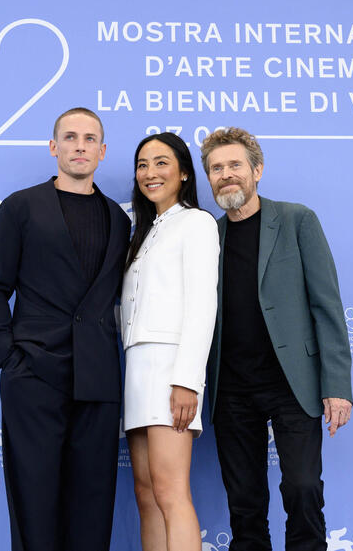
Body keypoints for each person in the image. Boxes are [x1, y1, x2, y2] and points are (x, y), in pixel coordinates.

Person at [0, 107, 131, 551]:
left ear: (101, 152)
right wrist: (9, 357)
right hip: (34, 374)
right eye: (70, 137)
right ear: (54, 147)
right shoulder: (21, 207)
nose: (79, 145)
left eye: (89, 139)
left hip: (98, 380)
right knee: (34, 502)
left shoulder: (119, 221)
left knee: (92, 506)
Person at [199, 127, 353, 551]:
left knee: (303, 490)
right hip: (231, 390)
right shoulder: (206, 236)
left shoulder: (296, 219)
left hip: (293, 384)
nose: (226, 175)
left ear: (257, 170)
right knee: (245, 506)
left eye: (234, 165)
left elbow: (327, 306)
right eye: (216, 168)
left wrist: (336, 386)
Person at [121, 132, 219, 551]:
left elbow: (202, 306)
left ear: (182, 173)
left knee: (170, 490)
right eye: (143, 164)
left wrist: (187, 381)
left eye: (161, 163)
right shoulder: (144, 232)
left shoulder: (195, 222)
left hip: (170, 368)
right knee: (146, 495)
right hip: (137, 370)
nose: (150, 173)